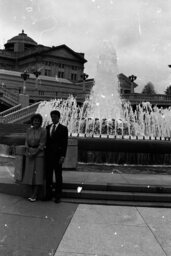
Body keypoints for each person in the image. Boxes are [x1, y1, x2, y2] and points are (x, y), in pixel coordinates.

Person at [45, 110, 68, 203]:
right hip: (48, 156)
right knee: (48, 176)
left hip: (58, 156)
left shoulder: (63, 128)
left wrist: (63, 156)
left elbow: (64, 143)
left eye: (55, 117)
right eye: (52, 117)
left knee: (58, 176)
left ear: (58, 117)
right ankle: (49, 194)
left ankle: (58, 195)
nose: (53, 118)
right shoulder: (48, 127)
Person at [22, 113, 47, 202]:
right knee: (29, 175)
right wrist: (28, 151)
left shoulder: (43, 131)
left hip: (39, 155)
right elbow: (26, 142)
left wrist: (35, 153)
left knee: (38, 175)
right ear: (32, 121)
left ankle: (35, 194)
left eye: (38, 121)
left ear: (40, 122)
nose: (36, 122)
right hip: (29, 154)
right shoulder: (29, 130)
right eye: (35, 120)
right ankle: (32, 193)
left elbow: (42, 144)